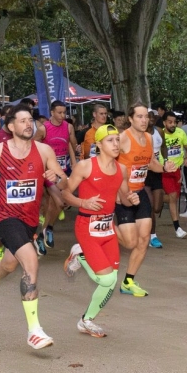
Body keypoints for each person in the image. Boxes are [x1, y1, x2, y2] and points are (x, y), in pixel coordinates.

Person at [0, 106, 68, 349]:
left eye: (30, 120)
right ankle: (34, 331)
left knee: (10, 264)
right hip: (5, 215)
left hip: (30, 218)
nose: (28, 124)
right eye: (22, 121)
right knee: (30, 261)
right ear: (11, 126)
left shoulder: (44, 150)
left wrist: (56, 177)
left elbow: (63, 179)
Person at [61, 124, 140, 337]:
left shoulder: (121, 169)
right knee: (106, 280)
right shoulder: (85, 166)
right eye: (110, 140)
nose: (115, 144)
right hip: (87, 227)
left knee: (111, 281)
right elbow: (65, 194)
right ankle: (80, 255)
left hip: (108, 228)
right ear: (99, 144)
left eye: (117, 140)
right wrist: (83, 202)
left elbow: (124, 198)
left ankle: (86, 321)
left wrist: (132, 199)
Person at [114, 104, 176, 296]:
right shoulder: (122, 139)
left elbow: (150, 163)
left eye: (145, 117)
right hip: (123, 194)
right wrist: (116, 191)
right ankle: (100, 230)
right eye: (139, 117)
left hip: (140, 193)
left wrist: (164, 168)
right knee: (130, 242)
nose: (143, 120)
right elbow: (107, 164)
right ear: (130, 119)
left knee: (144, 239)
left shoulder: (149, 138)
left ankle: (128, 282)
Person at [40, 101, 77, 248]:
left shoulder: (68, 127)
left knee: (57, 204)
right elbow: (34, 147)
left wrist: (74, 162)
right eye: (59, 112)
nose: (62, 115)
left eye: (64, 112)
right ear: (52, 113)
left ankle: (45, 230)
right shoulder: (43, 129)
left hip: (63, 169)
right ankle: (47, 228)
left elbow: (71, 145)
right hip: (48, 171)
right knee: (58, 202)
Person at [156, 111, 187, 239]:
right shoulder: (159, 134)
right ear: (164, 123)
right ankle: (177, 228)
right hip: (164, 170)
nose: (173, 124)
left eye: (175, 122)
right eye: (170, 122)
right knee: (173, 197)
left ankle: (154, 199)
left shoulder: (181, 133)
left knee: (173, 199)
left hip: (177, 171)